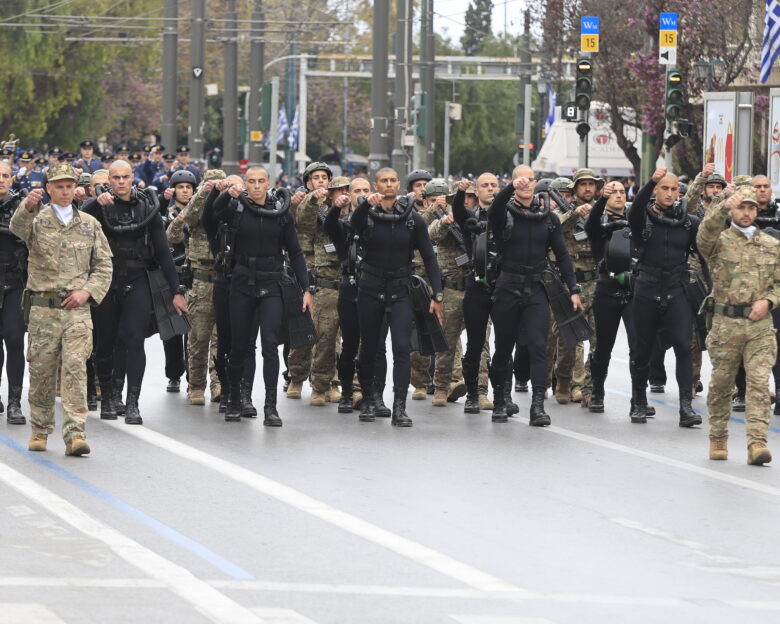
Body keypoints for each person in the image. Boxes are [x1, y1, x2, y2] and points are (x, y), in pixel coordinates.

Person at [10, 163, 112, 456]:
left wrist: (88, 292)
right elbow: (17, 228)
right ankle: (40, 430)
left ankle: (75, 434)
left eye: (69, 186)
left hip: (76, 311)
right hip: (44, 309)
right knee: (42, 371)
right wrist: (27, 206)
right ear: (49, 189)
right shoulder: (36, 220)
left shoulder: (90, 224)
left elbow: (104, 264)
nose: (65, 191)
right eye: (59, 186)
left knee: (75, 370)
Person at [82, 160, 188, 425]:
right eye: (115, 177)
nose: (120, 182)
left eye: (125, 177)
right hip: (107, 279)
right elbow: (80, 217)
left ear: (133, 178)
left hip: (139, 278)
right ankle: (107, 396)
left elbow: (163, 251)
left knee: (134, 339)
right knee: (104, 341)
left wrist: (177, 290)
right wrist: (97, 201)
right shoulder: (100, 207)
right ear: (110, 180)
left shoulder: (146, 207)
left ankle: (132, 402)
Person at [213, 166, 313, 426]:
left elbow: (296, 252)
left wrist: (307, 289)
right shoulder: (236, 208)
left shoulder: (280, 212)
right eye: (251, 181)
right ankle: (235, 397)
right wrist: (227, 194)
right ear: (246, 183)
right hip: (242, 282)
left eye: (261, 181)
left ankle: (270, 407)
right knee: (239, 345)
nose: (256, 186)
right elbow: (214, 211)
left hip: (271, 283)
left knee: (270, 345)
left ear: (269, 183)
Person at [350, 167, 443, 426]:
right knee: (369, 348)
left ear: (399, 184)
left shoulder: (413, 219)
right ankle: (369, 399)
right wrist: (364, 205)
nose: (389, 184)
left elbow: (429, 257)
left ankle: (400, 406)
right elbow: (353, 225)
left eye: (393, 180)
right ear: (376, 184)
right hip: (370, 288)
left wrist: (437, 293)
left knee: (403, 348)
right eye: (383, 181)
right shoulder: (367, 215)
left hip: (401, 289)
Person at [488, 165, 581, 425]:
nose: (525, 184)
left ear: (535, 182)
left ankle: (538, 405)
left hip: (537, 286)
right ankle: (500, 399)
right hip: (508, 285)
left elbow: (562, 255)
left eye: (529, 180)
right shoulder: (503, 213)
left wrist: (573, 289)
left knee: (538, 346)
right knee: (504, 347)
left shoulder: (548, 218)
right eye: (520, 180)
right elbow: (494, 209)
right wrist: (509, 187)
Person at [697, 186, 778, 465]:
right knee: (722, 383)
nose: (746, 213)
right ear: (732, 211)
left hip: (760, 327)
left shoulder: (771, 244)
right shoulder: (718, 242)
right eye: (741, 207)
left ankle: (757, 442)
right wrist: (720, 206)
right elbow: (703, 234)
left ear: (757, 211)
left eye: (751, 208)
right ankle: (718, 437)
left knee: (758, 384)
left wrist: (768, 301)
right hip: (726, 324)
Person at [627, 167, 700, 426]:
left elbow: (707, 246)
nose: (670, 193)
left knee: (683, 345)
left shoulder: (689, 222)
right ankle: (638, 403)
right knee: (642, 348)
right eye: (664, 189)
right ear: (656, 191)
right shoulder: (642, 217)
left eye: (674, 190)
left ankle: (685, 407)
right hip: (646, 286)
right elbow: (634, 209)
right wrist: (651, 181)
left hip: (676, 287)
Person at [167, 170, 225, 406]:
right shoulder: (195, 210)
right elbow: (173, 234)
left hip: (223, 278)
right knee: (198, 338)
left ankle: (218, 383)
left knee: (220, 339)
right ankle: (196, 385)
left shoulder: (227, 209)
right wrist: (203, 194)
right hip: (200, 281)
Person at [584, 180, 641, 413]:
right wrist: (600, 200)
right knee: (603, 347)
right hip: (607, 289)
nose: (618, 195)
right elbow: (590, 226)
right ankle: (597, 391)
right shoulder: (600, 222)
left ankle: (638, 398)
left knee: (638, 347)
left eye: (621, 191)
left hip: (633, 290)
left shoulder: (635, 222)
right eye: (613, 192)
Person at [295, 174, 349, 406]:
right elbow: (303, 218)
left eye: (348, 190)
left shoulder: (359, 216)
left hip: (353, 284)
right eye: (338, 190)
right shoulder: (322, 218)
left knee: (353, 342)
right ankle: (319, 386)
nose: (344, 194)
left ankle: (347, 385)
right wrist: (309, 200)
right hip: (326, 286)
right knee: (325, 340)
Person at [551, 168, 600, 406]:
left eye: (591, 184)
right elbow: (555, 228)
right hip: (572, 284)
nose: (588, 189)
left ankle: (588, 387)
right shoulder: (564, 212)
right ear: (575, 189)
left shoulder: (601, 211)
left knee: (598, 340)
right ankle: (563, 381)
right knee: (569, 339)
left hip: (597, 281)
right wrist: (574, 214)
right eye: (583, 185)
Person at [451, 174, 499, 413]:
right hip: (477, 285)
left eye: (493, 186)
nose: (490, 189)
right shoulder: (470, 218)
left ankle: (500, 394)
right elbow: (458, 212)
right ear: (477, 192)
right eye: (485, 186)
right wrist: (460, 193)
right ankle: (472, 393)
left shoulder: (508, 216)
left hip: (503, 286)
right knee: (475, 344)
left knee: (503, 342)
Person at [286, 162, 331, 399]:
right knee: (302, 327)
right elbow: (300, 222)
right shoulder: (300, 202)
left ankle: (326, 381)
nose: (321, 181)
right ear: (307, 182)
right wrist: (299, 203)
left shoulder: (336, 203)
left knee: (329, 331)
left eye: (324, 177)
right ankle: (296, 377)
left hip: (328, 270)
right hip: (304, 267)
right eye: (316, 177)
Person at [161, 169, 196, 394]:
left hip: (194, 275)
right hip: (173, 275)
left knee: (194, 331)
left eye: (189, 187)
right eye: (181, 187)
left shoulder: (200, 213)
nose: (185, 191)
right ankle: (174, 374)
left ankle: (194, 373)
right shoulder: (166, 214)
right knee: (173, 330)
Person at [0, 162, 30, 423]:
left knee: (14, 340)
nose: (1, 180)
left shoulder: (23, 207)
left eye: (5, 176)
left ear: (12, 179)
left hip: (15, 282)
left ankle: (14, 402)